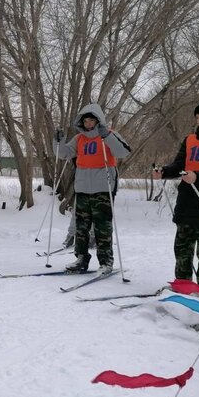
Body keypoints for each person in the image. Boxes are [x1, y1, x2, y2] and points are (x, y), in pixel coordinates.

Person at [152, 100, 199, 288]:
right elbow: (180, 165)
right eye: (197, 118)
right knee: (182, 248)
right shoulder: (190, 139)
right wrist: (164, 172)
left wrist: (197, 177)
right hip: (187, 199)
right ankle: (182, 285)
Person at [54, 103, 131, 275]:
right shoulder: (79, 139)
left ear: (98, 121)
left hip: (102, 189)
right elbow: (64, 154)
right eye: (86, 121)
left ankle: (106, 262)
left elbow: (123, 152)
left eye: (92, 120)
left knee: (102, 227)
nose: (89, 124)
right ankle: (81, 258)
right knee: (81, 226)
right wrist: (58, 141)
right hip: (82, 189)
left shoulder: (108, 135)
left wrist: (108, 136)